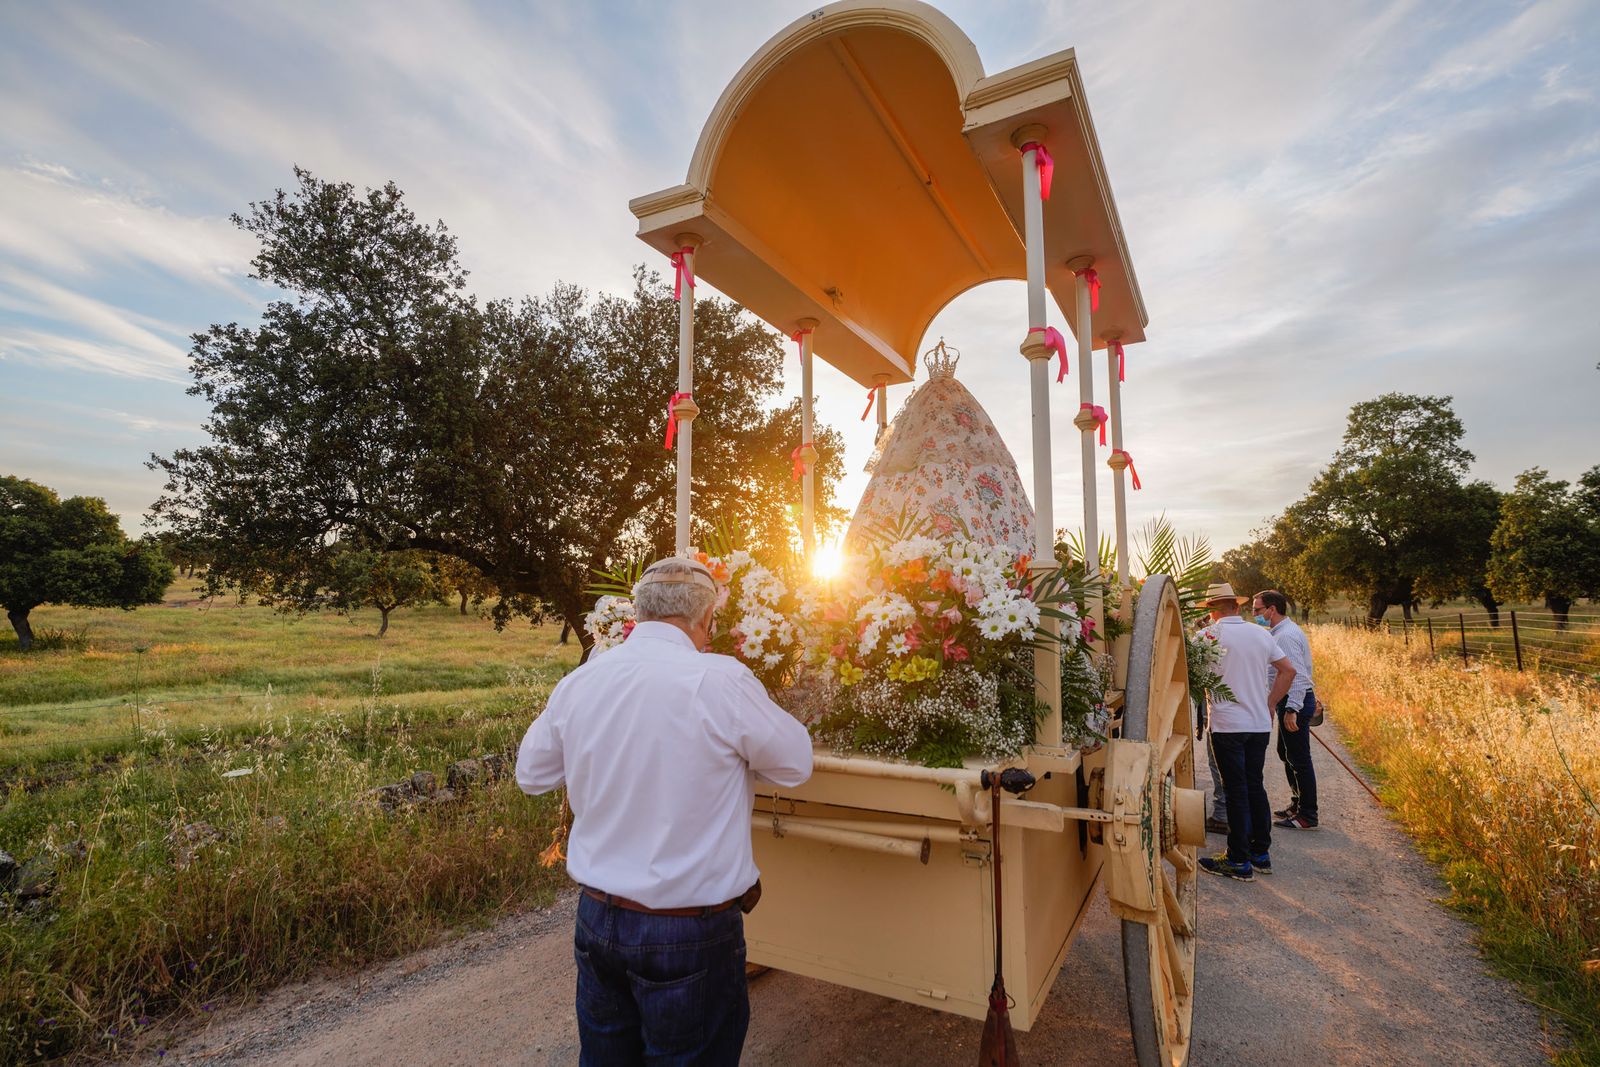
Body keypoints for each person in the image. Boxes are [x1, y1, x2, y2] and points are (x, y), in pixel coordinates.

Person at [516, 556, 814, 1065]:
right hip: (688, 932)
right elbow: (795, 765)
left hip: (598, 919)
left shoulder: (584, 680)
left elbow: (532, 775)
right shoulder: (721, 681)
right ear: (706, 620)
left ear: (639, 613)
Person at [1195, 582, 1295, 882]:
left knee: (1235, 790)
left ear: (1212, 611)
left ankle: (1238, 859)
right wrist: (1271, 702)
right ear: (1236, 606)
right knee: (1255, 785)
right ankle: (1260, 852)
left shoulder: (1207, 636)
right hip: (1259, 723)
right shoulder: (1260, 634)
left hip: (1228, 725)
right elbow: (1288, 670)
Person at [1253, 589, 1319, 829]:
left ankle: (1308, 815)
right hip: (1290, 701)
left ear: (1272, 609)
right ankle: (1297, 803)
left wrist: (1292, 707)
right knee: (1286, 753)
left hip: (1294, 702)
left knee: (1300, 759)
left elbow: (1298, 676)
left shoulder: (1286, 636)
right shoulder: (1280, 632)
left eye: (1257, 610)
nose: (1254, 615)